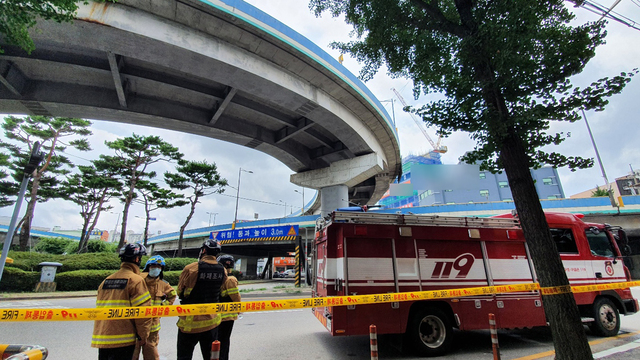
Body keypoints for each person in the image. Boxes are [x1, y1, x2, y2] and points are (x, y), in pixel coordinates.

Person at [91, 243, 152, 360]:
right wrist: (143, 336)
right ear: (137, 259)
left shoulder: (106, 281)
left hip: (103, 338)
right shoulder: (136, 280)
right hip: (124, 340)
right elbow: (143, 313)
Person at [176, 239, 227, 360]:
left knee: (184, 356)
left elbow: (179, 291)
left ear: (203, 251)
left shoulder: (191, 268)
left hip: (189, 323)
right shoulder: (222, 270)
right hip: (212, 322)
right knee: (211, 356)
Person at [134, 255, 177, 360]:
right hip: (135, 324)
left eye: (159, 266)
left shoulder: (164, 284)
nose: (156, 268)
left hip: (153, 326)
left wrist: (162, 308)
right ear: (148, 267)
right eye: (153, 266)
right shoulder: (138, 280)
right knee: (132, 353)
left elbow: (172, 295)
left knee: (151, 354)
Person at [217, 255, 241, 360]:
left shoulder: (218, 277)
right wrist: (239, 309)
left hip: (215, 314)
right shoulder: (230, 279)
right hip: (227, 317)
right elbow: (235, 297)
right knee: (224, 341)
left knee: (217, 341)